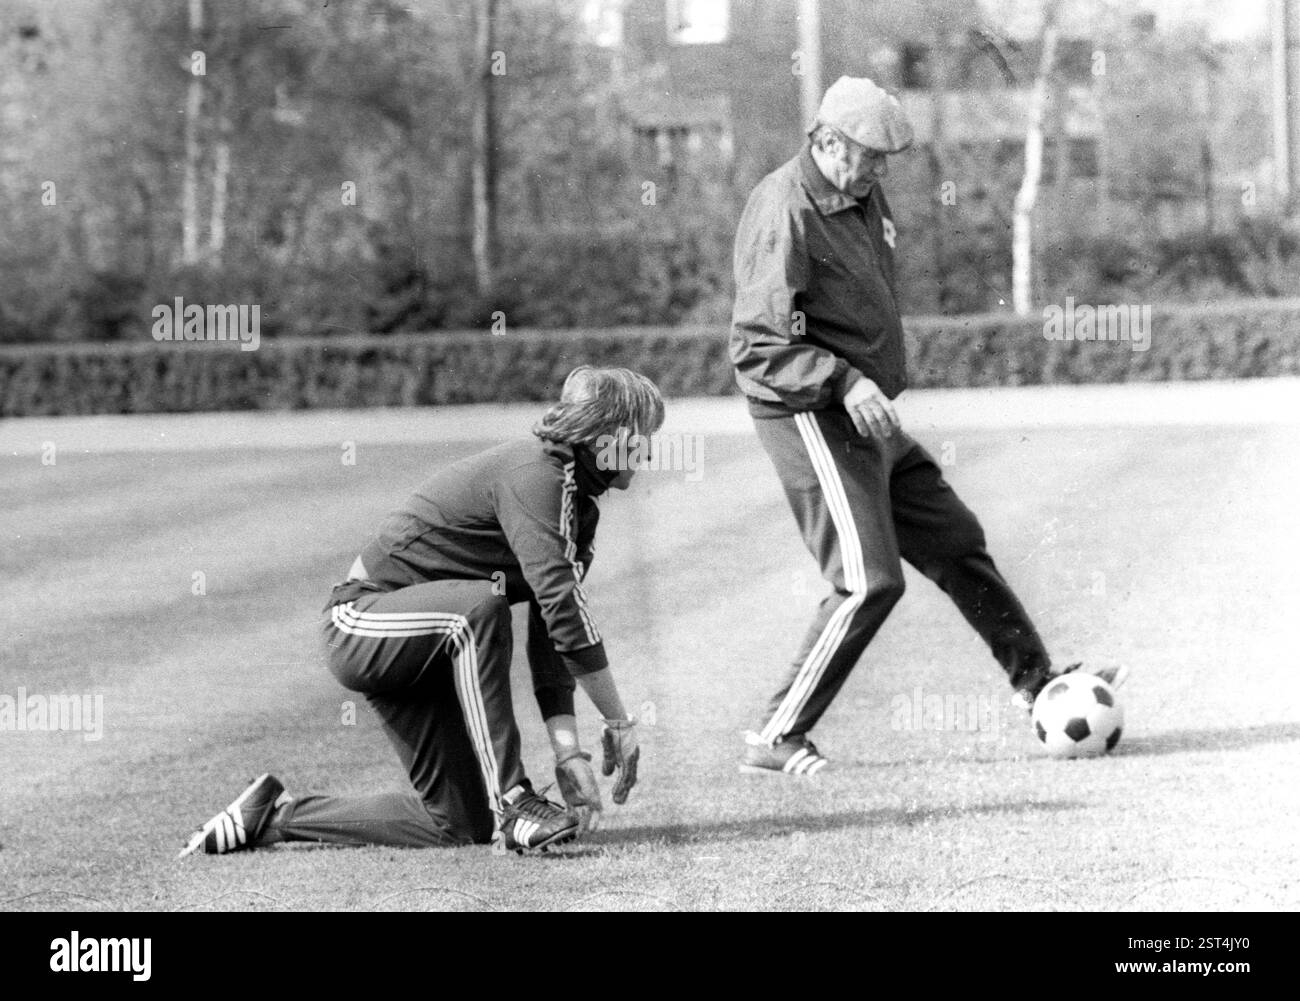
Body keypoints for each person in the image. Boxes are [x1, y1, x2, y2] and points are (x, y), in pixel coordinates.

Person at [729, 77, 1124, 776]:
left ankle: (1038, 685)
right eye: (871, 155)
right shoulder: (783, 210)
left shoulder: (860, 195)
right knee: (868, 580)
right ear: (825, 142)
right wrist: (844, 381)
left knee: (956, 539)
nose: (883, 172)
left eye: (887, 158)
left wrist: (863, 382)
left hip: (865, 412)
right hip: (809, 415)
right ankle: (775, 733)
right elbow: (757, 347)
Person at [179, 367, 661, 855]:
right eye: (643, 437)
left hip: (424, 646)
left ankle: (272, 818)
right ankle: (514, 802)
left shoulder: (576, 503)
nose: (648, 451)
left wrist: (568, 752)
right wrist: (619, 722)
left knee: (459, 825)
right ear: (607, 436)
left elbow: (551, 631)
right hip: (359, 624)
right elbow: (562, 612)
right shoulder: (537, 474)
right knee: (479, 608)